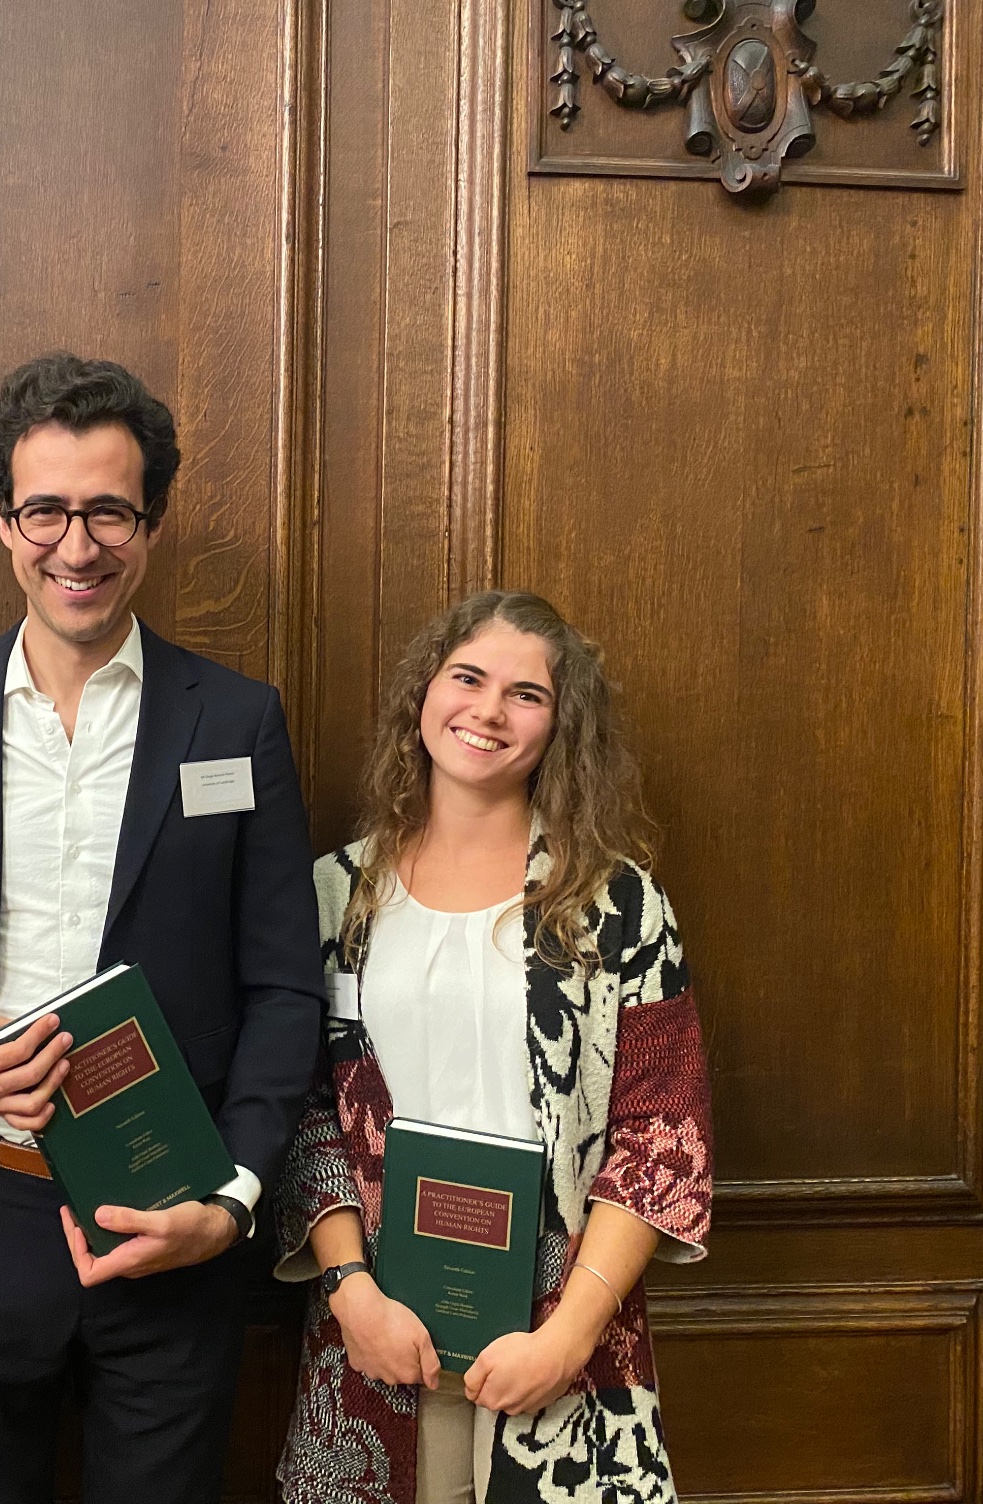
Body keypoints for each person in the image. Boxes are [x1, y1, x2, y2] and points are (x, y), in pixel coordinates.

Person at [0, 351, 324, 1504]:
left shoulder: (235, 723)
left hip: (168, 1210)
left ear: (151, 522)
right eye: (44, 510)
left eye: (108, 512)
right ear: (4, 521)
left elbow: (284, 987)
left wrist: (232, 1198)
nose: (75, 546)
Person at [273, 590, 713, 1504]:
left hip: (561, 1330)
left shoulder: (620, 906)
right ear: (424, 694)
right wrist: (351, 1292)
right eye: (467, 678)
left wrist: (570, 1337)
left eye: (526, 694)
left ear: (561, 727)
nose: (488, 710)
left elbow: (661, 1138)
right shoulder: (334, 895)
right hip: (379, 1326)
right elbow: (306, 1111)